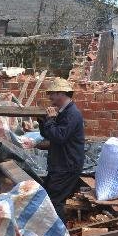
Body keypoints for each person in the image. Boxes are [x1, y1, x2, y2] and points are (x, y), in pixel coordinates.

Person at [36, 78, 85, 223]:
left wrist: (50, 120)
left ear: (61, 93)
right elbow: (49, 135)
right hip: (60, 165)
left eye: (52, 93)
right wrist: (42, 121)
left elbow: (59, 137)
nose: (50, 97)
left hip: (67, 166)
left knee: (55, 201)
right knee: (50, 197)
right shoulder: (63, 112)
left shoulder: (72, 114)